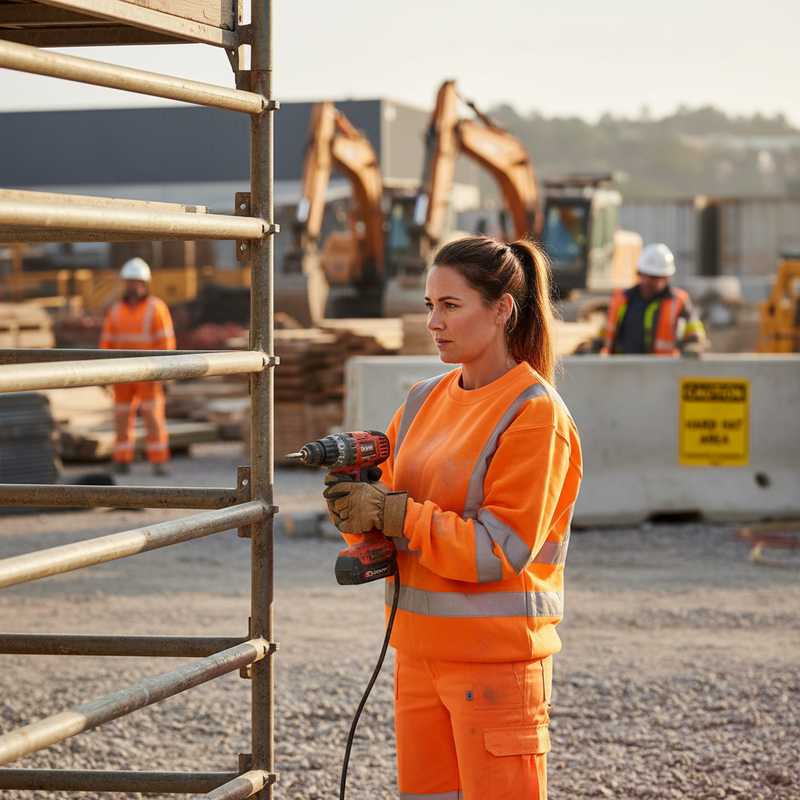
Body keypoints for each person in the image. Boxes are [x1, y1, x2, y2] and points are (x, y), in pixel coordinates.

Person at [324, 235, 583, 800]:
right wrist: (355, 508)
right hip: (419, 656)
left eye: (450, 305)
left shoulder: (534, 414)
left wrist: (392, 512)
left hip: (494, 665)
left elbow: (499, 549)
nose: (433, 322)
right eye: (429, 306)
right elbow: (384, 519)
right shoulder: (421, 399)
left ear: (501, 310)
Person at [99, 257, 176, 475]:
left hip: (150, 372)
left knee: (153, 416)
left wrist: (168, 372)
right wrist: (102, 373)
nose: (132, 285)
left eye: (136, 281)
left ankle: (159, 460)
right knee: (121, 416)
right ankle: (122, 459)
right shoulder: (115, 310)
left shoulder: (157, 308)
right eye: (128, 281)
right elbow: (106, 343)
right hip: (122, 373)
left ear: (144, 283)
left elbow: (166, 342)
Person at [599, 242, 706, 355]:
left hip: (661, 369)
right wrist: (593, 346)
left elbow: (694, 330)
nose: (646, 281)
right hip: (622, 367)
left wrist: (694, 344)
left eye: (653, 278)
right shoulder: (621, 297)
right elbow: (605, 332)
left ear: (666, 277)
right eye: (644, 275)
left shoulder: (678, 300)